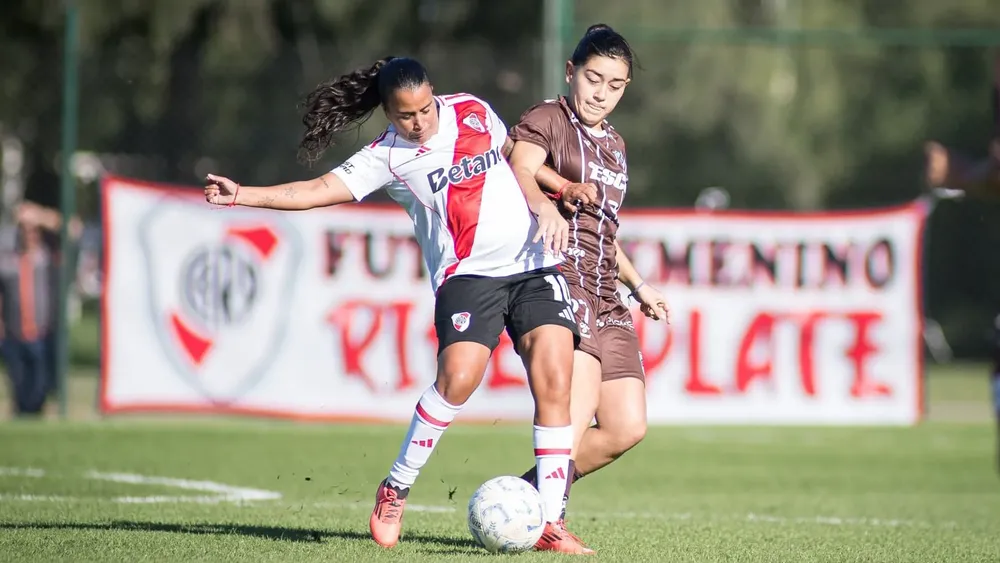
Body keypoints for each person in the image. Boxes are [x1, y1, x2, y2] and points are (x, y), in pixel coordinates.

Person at [204, 56, 594, 554]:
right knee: (458, 381)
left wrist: (562, 188)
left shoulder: (473, 110)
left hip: (534, 264)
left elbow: (519, 157)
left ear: (435, 94)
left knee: (556, 380)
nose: (420, 122)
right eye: (406, 115)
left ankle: (551, 521)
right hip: (468, 277)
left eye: (426, 109)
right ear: (388, 113)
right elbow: (316, 190)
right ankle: (396, 488)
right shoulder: (384, 157)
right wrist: (243, 196)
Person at [507, 24, 669, 522]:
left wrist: (639, 285)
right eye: (593, 79)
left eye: (614, 85)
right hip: (561, 279)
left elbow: (606, 232)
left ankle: (521, 496)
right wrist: (543, 206)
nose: (601, 94)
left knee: (626, 427)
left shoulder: (616, 146)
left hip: (606, 291)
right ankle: (548, 520)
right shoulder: (549, 118)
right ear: (571, 72)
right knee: (573, 419)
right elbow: (519, 164)